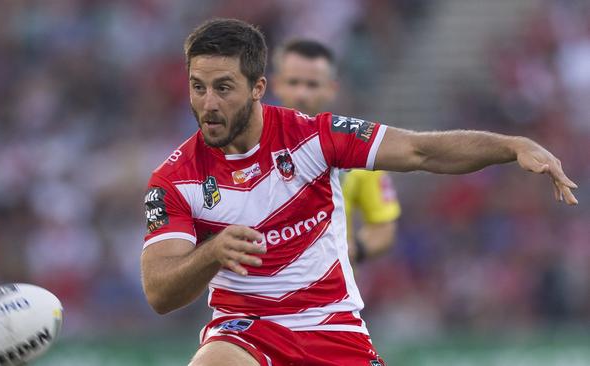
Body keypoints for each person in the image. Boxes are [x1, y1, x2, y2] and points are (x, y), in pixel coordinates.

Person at [140, 19, 578, 366]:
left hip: (333, 331)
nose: (208, 103)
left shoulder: (314, 136)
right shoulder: (175, 179)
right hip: (246, 332)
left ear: (257, 88)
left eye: (223, 87)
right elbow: (160, 293)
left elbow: (421, 150)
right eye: (198, 87)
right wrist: (212, 253)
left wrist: (511, 146)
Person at [271, 39, 401, 264]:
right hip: (264, 291)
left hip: (333, 293)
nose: (301, 94)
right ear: (275, 84)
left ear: (332, 89)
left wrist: (354, 249)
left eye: (312, 85)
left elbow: (384, 226)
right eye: (293, 83)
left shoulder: (357, 148)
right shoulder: (246, 145)